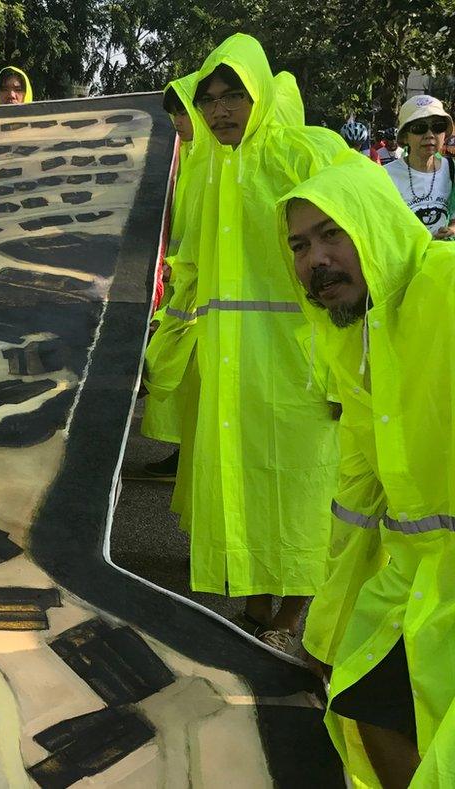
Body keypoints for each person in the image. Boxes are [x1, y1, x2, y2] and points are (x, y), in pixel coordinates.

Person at [281, 152, 455, 789]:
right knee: (362, 704)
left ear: (378, 224)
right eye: (300, 245)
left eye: (333, 234)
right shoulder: (348, 342)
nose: (315, 260)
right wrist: (324, 629)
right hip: (421, 580)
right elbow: (358, 498)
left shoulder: (447, 286)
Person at [175, 34, 345, 652]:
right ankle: (252, 605)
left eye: (234, 96)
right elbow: (188, 264)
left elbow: (353, 256)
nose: (221, 110)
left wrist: (341, 365)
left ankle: (293, 616)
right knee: (243, 476)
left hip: (299, 351)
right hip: (229, 354)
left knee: (303, 482)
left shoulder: (305, 154)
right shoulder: (205, 172)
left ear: (261, 95)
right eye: (210, 98)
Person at [131, 75, 203, 483]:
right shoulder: (184, 156)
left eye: (183, 109)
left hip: (193, 287)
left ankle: (187, 454)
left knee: (179, 376)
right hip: (174, 284)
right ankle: (185, 452)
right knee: (174, 379)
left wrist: (175, 264)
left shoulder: (207, 160)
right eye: (173, 111)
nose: (178, 119)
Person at [383, 95, 455, 240]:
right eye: (419, 128)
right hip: (405, 261)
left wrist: (451, 230)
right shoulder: (385, 175)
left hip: (442, 260)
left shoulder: (452, 169)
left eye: (437, 126)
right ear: (404, 137)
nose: (429, 135)